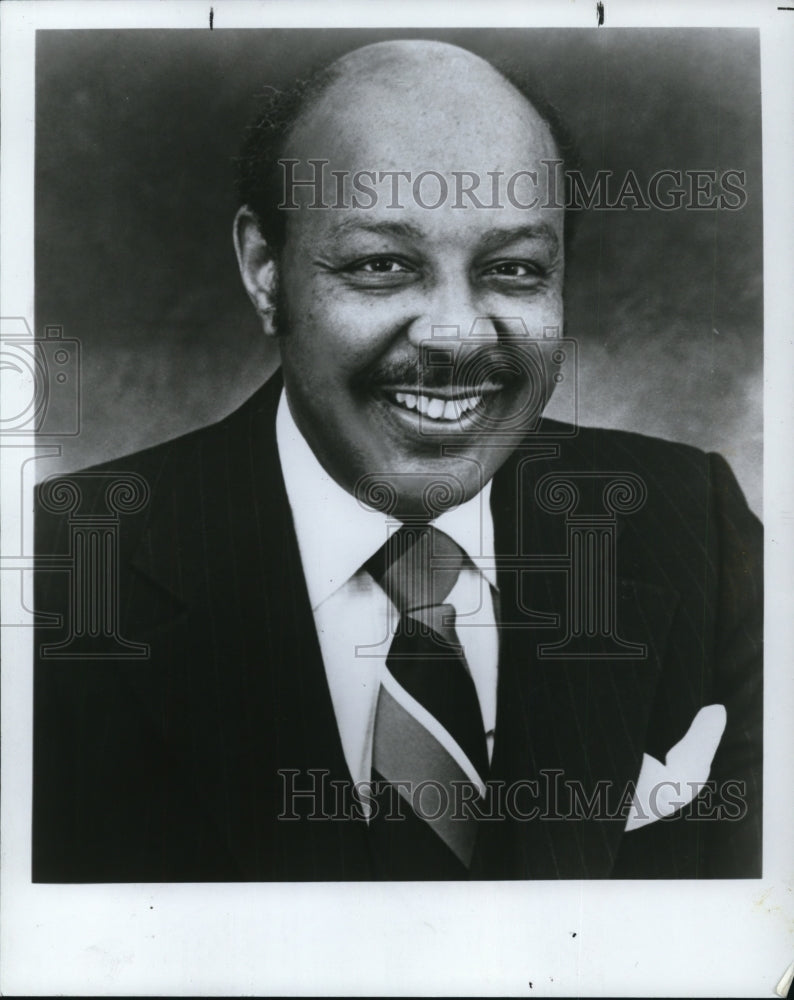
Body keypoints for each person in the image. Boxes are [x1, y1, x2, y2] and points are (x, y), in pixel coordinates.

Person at [32, 40, 762, 882]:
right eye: (383, 265)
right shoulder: (64, 572)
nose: (455, 338)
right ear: (265, 272)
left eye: (514, 269)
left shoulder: (691, 526)